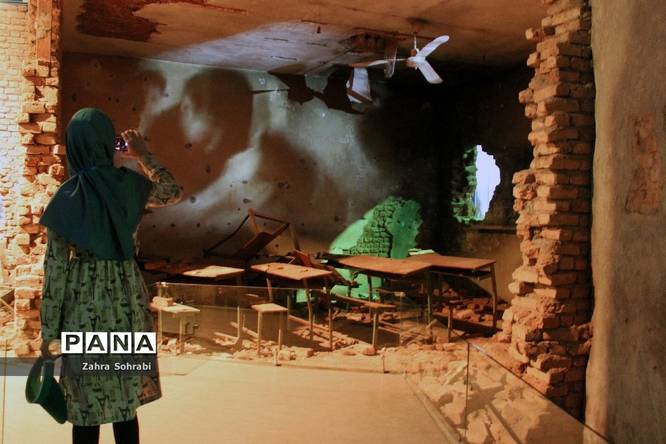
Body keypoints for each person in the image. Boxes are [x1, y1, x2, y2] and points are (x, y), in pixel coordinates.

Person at [38, 108, 182, 444]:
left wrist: (49, 334)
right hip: (126, 303)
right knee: (124, 402)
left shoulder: (67, 197)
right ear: (107, 143)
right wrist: (142, 155)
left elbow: (55, 272)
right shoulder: (130, 187)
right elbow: (171, 190)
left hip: (82, 308)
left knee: (86, 405)